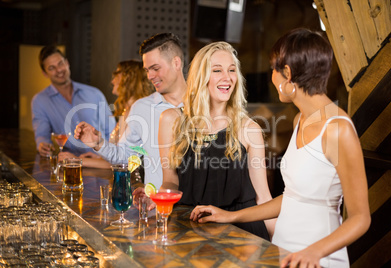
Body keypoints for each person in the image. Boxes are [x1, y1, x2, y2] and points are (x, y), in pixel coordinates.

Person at [190, 28, 371, 268]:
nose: (271, 77)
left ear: (287, 74)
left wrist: (313, 252)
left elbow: (360, 218)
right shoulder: (300, 119)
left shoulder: (337, 128)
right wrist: (230, 216)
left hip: (317, 258)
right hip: (283, 251)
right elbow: (292, 198)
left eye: (274, 70)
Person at [158, 41, 276, 240]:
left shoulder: (249, 129)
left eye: (231, 70)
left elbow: (262, 196)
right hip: (190, 228)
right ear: (200, 76)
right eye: (217, 70)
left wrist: (277, 249)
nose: (227, 77)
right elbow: (170, 181)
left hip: (243, 234)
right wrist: (158, 200)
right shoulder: (171, 120)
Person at [74, 33, 187, 188]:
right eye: (147, 70)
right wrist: (98, 143)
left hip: (198, 206)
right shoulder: (142, 108)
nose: (150, 76)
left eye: (155, 68)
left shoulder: (204, 103)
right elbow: (125, 157)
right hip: (156, 204)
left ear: (176, 63)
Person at [59, 59, 154, 168]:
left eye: (116, 74)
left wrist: (77, 160)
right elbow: (119, 155)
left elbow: (124, 163)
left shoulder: (137, 113)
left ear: (129, 79)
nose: (112, 81)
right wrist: (99, 157)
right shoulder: (127, 111)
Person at [32, 45, 115, 157]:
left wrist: (108, 157)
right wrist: (43, 145)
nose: (59, 70)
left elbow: (111, 131)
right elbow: (42, 135)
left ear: (67, 63)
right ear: (45, 73)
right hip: (72, 164)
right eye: (51, 68)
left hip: (102, 161)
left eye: (60, 63)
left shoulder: (94, 94)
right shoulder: (40, 101)